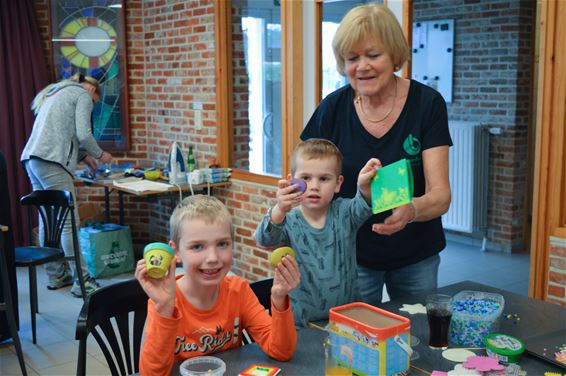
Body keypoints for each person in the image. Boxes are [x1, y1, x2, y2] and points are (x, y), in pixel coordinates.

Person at [301, 3, 452, 306]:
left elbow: (441, 196)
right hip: (351, 254)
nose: (362, 66)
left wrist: (411, 210)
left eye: (373, 55)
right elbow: (305, 181)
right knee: (358, 341)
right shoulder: (332, 109)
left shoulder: (427, 104)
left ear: (394, 55)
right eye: (352, 58)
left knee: (417, 336)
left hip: (415, 254)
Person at [137, 195, 300, 375]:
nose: (213, 258)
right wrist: (164, 308)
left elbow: (281, 351)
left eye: (222, 244)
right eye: (197, 247)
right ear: (176, 251)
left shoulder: (239, 291)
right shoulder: (164, 302)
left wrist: (278, 299)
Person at [255, 139, 380, 326]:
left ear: (338, 184)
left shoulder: (345, 213)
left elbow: (364, 205)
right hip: (300, 324)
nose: (314, 186)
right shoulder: (287, 219)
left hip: (347, 320)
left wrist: (364, 188)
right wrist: (279, 209)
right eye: (306, 178)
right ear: (292, 182)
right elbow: (264, 239)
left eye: (324, 178)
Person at [20, 73, 113, 298]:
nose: (91, 106)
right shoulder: (81, 94)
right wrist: (100, 155)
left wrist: (83, 156)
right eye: (94, 103)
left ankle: (56, 275)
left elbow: (59, 134)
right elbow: (84, 134)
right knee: (70, 222)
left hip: (33, 160)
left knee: (48, 218)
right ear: (92, 91)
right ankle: (82, 280)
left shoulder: (55, 92)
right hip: (52, 161)